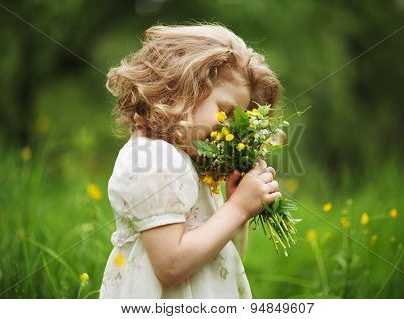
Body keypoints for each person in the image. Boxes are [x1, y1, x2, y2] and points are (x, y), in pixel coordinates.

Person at [99, 23, 282, 298]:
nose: (228, 128)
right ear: (181, 88)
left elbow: (221, 256)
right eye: (224, 111)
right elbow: (171, 266)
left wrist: (236, 210)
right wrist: (238, 209)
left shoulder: (184, 162)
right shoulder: (151, 159)